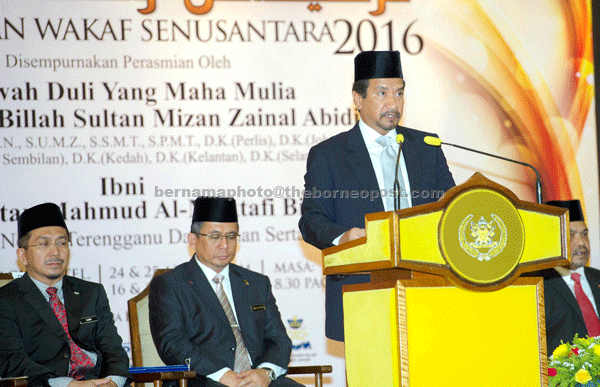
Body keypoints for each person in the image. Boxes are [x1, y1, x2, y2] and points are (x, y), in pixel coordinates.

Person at [299, 50, 455, 342]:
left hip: (429, 290)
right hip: (363, 290)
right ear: (358, 99)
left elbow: (450, 208)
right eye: (382, 93)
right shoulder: (329, 155)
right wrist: (342, 237)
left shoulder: (426, 146)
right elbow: (311, 220)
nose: (393, 103)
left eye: (399, 93)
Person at [149, 197, 302, 387]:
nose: (224, 245)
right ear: (193, 240)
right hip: (203, 379)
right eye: (214, 237)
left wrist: (266, 372)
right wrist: (222, 374)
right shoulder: (170, 284)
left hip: (257, 379)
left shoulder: (256, 283)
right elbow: (173, 345)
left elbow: (278, 339)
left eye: (231, 237)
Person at [0, 203, 132, 387]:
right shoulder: (6, 300)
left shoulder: (91, 292)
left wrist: (113, 382)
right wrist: (67, 384)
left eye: (62, 243)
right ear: (23, 256)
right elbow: (11, 361)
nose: (55, 252)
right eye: (44, 244)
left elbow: (114, 350)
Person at [536, 200, 600, 355]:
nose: (582, 243)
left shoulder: (597, 278)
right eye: (571, 235)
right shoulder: (538, 285)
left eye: (584, 234)